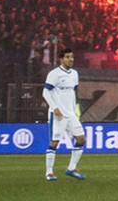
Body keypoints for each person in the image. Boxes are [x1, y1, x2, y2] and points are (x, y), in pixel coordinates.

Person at [43, 48, 87, 181]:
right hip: (58, 115)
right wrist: (55, 108)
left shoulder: (74, 74)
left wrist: (75, 112)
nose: (71, 59)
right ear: (61, 59)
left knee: (81, 139)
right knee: (54, 143)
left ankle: (71, 168)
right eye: (67, 57)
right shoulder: (54, 74)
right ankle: (49, 172)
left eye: (72, 57)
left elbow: (73, 93)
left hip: (71, 115)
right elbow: (46, 92)